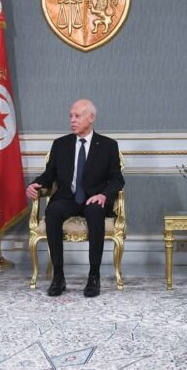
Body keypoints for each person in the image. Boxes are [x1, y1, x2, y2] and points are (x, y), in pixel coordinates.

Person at [26, 99, 124, 298]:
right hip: (67, 198)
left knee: (95, 212)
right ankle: (58, 276)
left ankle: (94, 276)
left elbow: (117, 179)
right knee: (53, 210)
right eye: (70, 116)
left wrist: (103, 195)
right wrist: (35, 184)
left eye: (77, 116)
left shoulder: (108, 145)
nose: (72, 120)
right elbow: (48, 175)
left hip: (93, 199)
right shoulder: (60, 144)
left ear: (91, 118)